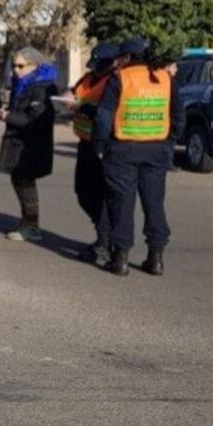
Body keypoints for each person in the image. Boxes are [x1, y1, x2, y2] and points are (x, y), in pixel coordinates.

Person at [94, 38, 185, 277]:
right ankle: (156, 259)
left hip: (123, 149)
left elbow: (104, 115)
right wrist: (170, 141)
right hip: (156, 150)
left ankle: (120, 258)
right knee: (154, 202)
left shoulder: (121, 77)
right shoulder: (165, 78)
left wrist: (99, 143)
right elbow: (178, 114)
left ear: (126, 58)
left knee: (122, 203)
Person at [0, 47, 58, 242]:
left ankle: (31, 226)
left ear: (34, 66)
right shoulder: (22, 83)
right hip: (19, 142)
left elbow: (33, 118)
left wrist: (8, 117)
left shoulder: (41, 88)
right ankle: (28, 223)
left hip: (31, 145)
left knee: (25, 182)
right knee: (20, 181)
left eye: (20, 66)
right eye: (13, 65)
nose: (15, 70)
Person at [71, 42, 120, 267]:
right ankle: (104, 234)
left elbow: (110, 111)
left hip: (105, 146)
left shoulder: (114, 81)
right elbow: (76, 93)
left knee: (101, 194)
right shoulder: (89, 79)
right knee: (83, 192)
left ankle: (104, 241)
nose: (95, 69)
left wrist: (85, 108)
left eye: (99, 65)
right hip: (85, 142)